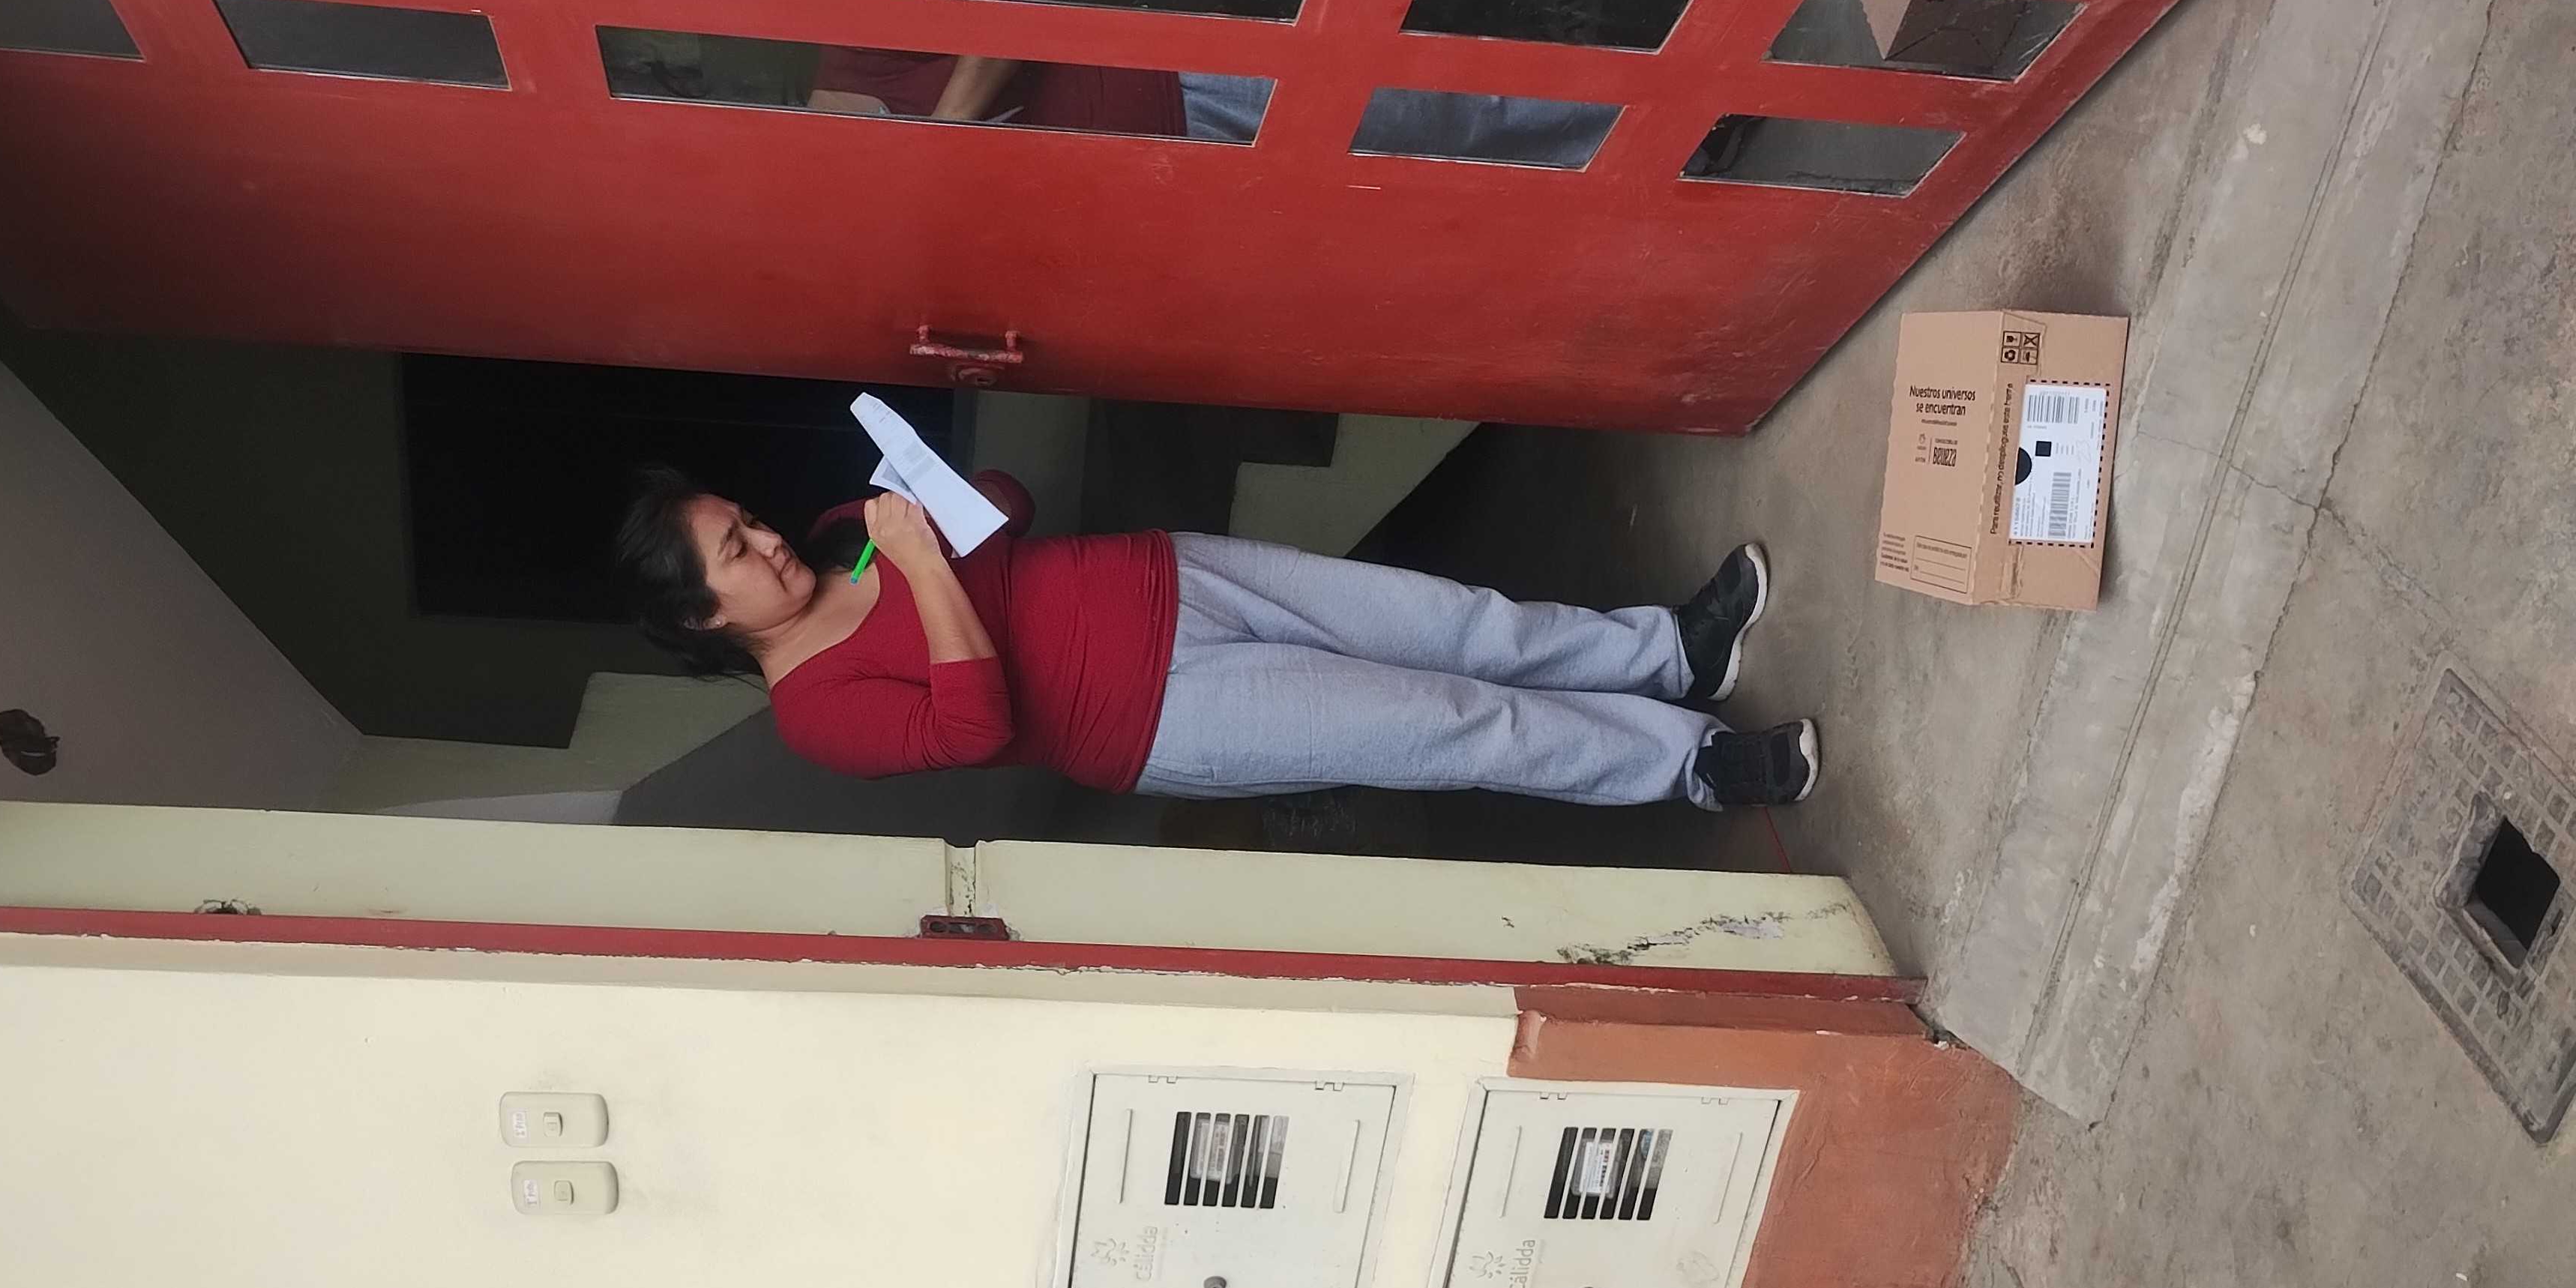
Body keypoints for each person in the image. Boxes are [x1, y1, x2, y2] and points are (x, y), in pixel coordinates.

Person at [613, 469, 1819, 810]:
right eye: (736, 552)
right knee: (1452, 725)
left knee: (1455, 622)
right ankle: (1698, 768)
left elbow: (1012, 507)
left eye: (747, 521)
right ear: (702, 618)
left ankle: (1673, 654)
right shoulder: (816, 714)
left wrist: (923, 507)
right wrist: (924, 566)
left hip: (1172, 574)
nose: (768, 541)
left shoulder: (846, 538)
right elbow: (974, 725)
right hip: (1164, 715)